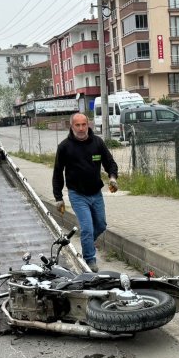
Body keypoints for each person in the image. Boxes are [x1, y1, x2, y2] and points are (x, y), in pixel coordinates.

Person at [52, 112, 119, 273]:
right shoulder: (64, 147)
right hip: (77, 194)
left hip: (96, 193)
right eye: (78, 125)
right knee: (87, 228)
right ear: (72, 126)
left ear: (88, 124)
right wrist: (58, 198)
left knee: (101, 225)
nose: (81, 128)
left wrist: (113, 178)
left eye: (84, 124)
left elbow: (110, 162)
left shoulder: (97, 143)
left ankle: (86, 242)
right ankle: (90, 260)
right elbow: (57, 172)